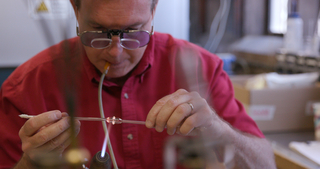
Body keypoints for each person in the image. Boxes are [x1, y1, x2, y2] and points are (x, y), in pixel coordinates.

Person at [0, 0, 276, 168]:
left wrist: (218, 130)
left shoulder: (202, 68)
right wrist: (30, 165)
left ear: (154, 11)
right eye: (98, 32)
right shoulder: (26, 87)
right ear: (75, 8)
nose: (115, 52)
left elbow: (265, 165)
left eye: (133, 32)